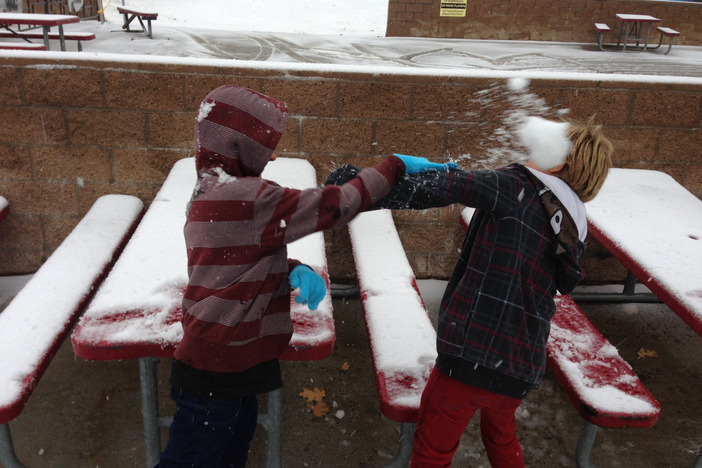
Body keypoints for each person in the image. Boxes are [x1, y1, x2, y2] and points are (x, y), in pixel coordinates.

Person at [156, 84, 454, 468]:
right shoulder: (244, 197)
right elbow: (334, 206)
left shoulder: (213, 189)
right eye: (266, 145)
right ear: (237, 145)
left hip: (231, 365)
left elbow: (228, 261)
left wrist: (290, 269)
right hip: (216, 372)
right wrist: (392, 167)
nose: (274, 155)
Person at [326, 119, 613, 467]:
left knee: (432, 450)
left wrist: (354, 188)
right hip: (520, 364)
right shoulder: (571, 224)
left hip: (472, 354)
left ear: (556, 162)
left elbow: (444, 187)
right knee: (501, 437)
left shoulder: (516, 185)